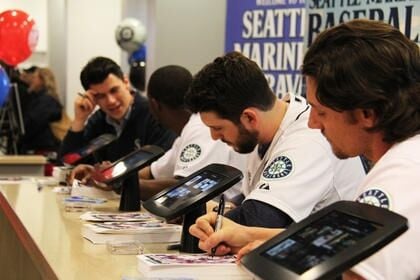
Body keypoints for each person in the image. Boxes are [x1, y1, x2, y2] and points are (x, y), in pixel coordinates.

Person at [189, 19, 420, 279]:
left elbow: (355, 272)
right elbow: (345, 246)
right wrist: (251, 237)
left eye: (321, 112)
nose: (313, 123)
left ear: (367, 113)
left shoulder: (401, 174)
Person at [184, 51, 365, 228]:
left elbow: (260, 219)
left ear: (249, 118)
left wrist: (204, 221)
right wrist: (212, 210)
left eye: (217, 128)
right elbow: (249, 201)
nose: (214, 137)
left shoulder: (306, 140)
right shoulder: (265, 133)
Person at [138, 65, 246, 201]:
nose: (214, 134)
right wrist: (119, 176)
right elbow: (153, 172)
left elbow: (186, 190)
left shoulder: (200, 126)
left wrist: (131, 185)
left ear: (154, 105)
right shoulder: (188, 130)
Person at [59, 56, 176, 164]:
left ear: (126, 82)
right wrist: (79, 120)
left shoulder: (155, 114)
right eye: (101, 96)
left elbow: (161, 167)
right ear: (92, 98)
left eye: (114, 90)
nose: (111, 101)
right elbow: (66, 163)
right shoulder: (98, 120)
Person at [18, 67, 63, 155]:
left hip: (42, 149)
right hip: (41, 148)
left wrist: (20, 136)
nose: (31, 80)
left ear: (43, 80)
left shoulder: (46, 100)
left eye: (35, 77)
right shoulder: (43, 99)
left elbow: (32, 123)